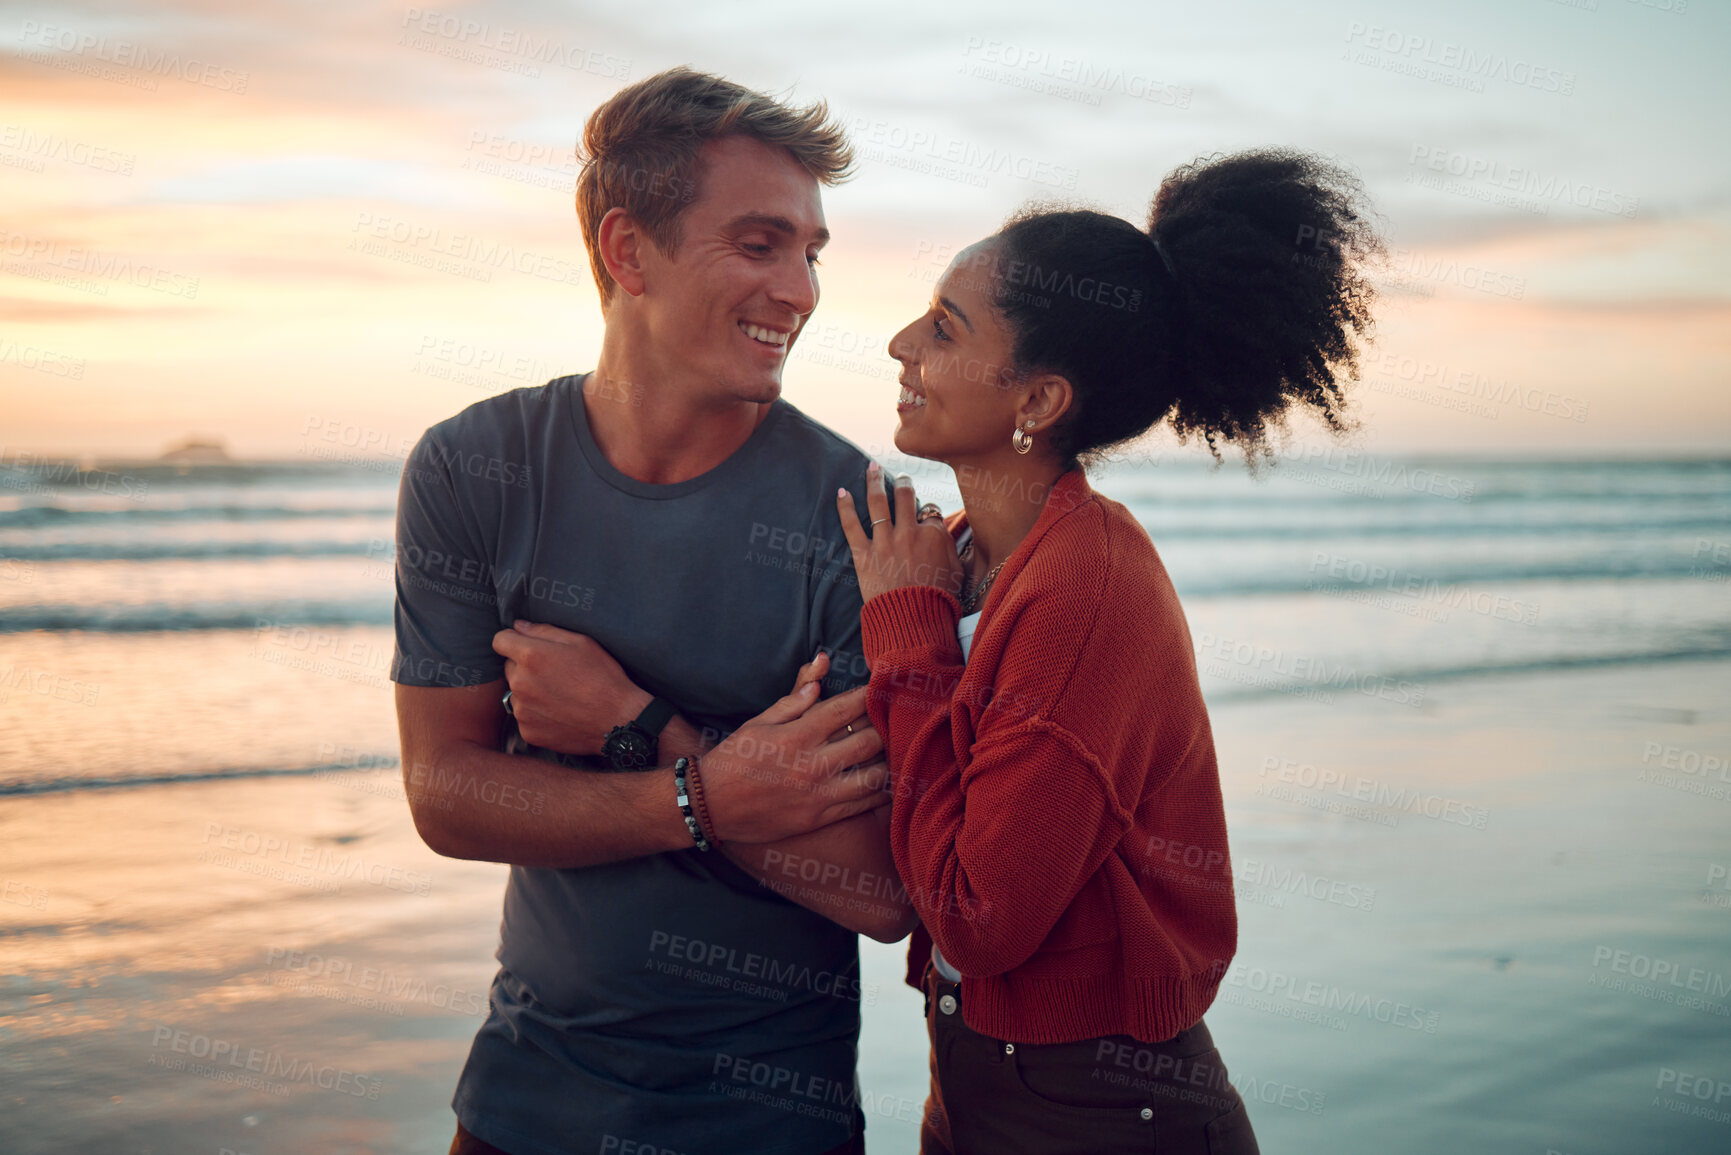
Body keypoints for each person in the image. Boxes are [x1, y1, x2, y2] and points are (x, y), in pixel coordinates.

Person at [391, 67, 915, 1155]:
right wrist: (714, 794)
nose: (803, 292)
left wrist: (639, 731)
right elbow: (446, 795)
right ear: (629, 251)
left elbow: (878, 890)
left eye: (811, 254)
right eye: (761, 244)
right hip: (521, 1101)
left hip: (769, 1120)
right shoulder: (475, 468)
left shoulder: (859, 523)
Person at [835, 148, 1384, 1153]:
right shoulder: (955, 557)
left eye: (946, 328)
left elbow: (980, 917)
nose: (901, 343)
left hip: (1102, 1111)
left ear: (1038, 404)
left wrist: (906, 638)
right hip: (974, 1083)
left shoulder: (1088, 590)